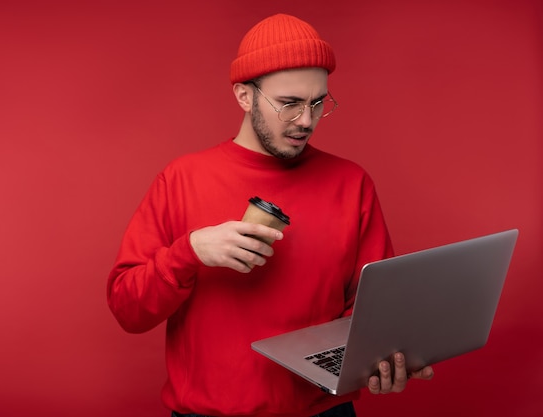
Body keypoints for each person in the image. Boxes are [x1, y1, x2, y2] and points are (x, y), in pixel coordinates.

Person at [107, 13, 434, 417]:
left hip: (323, 413)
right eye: (289, 104)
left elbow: (373, 312)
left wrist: (382, 360)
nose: (306, 121)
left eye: (317, 103)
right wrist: (188, 252)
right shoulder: (180, 179)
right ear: (244, 96)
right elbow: (127, 310)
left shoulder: (352, 183)